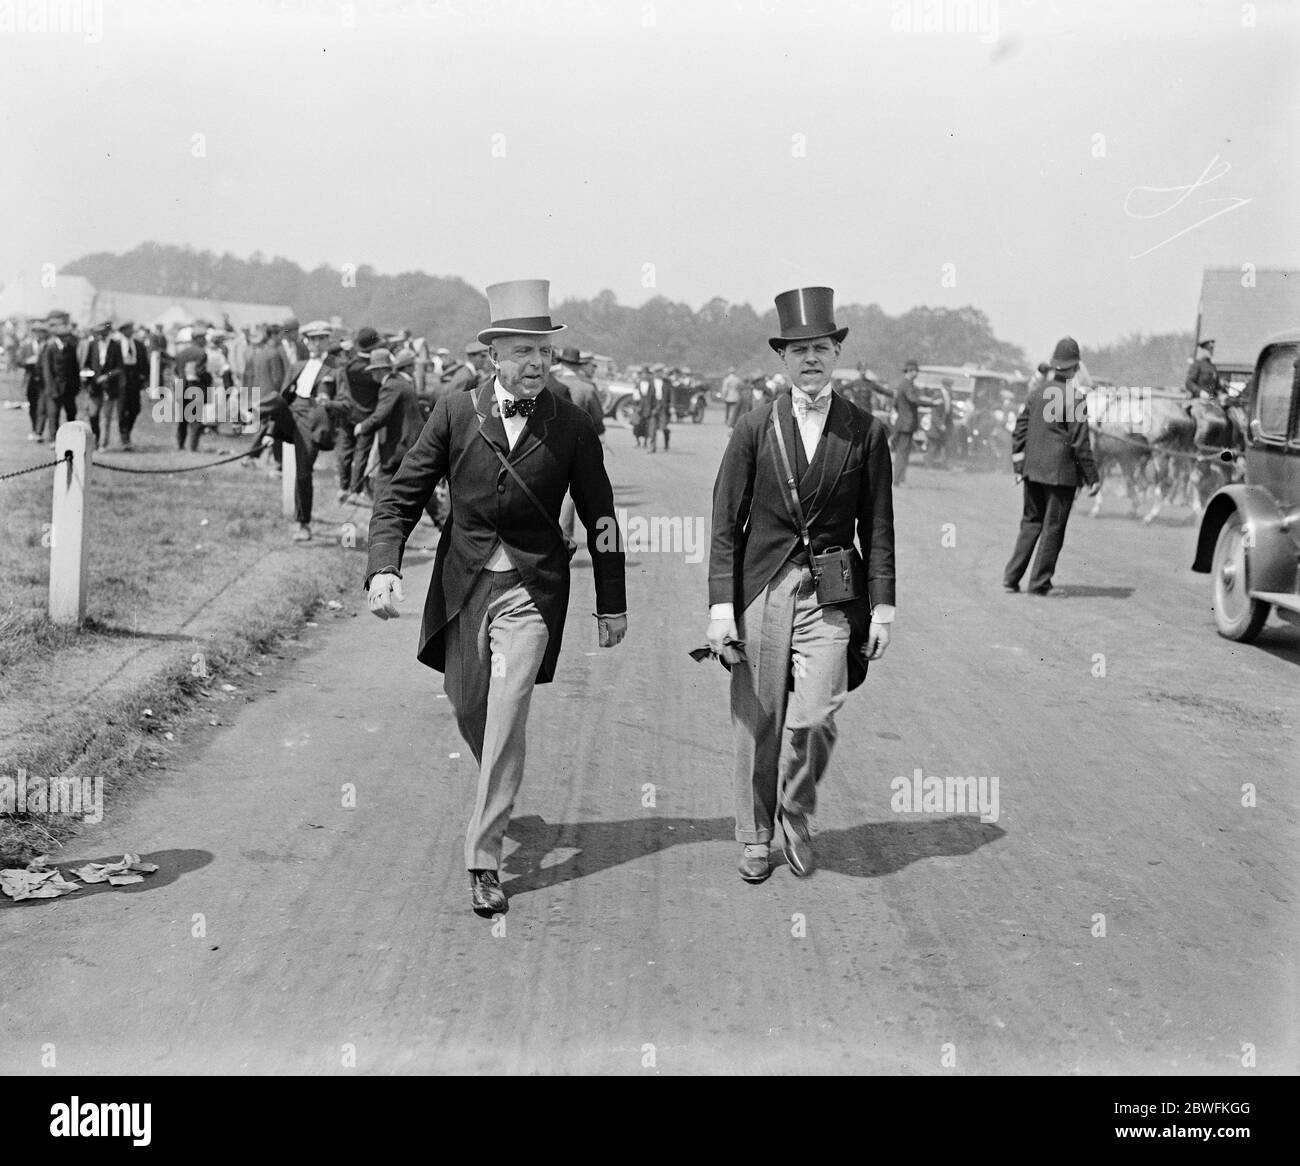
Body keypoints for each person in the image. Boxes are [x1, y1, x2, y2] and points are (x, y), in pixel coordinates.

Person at [365, 279, 627, 918]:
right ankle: (499, 783)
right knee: (468, 704)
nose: (536, 363)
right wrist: (383, 568)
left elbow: (601, 514)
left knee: (509, 708)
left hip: (531, 592)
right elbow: (400, 494)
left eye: (544, 351)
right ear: (493, 358)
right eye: (522, 351)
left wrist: (611, 601)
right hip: (462, 588)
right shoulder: (455, 411)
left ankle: (482, 859)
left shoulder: (570, 422)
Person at [707, 286, 895, 884]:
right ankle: (756, 835)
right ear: (782, 359)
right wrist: (720, 609)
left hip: (833, 596)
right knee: (757, 716)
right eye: (798, 349)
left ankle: (796, 808)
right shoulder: (754, 426)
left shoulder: (866, 432)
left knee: (815, 716)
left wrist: (884, 607)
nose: (810, 358)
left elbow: (880, 526)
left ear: (836, 353)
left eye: (821, 346)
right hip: (763, 586)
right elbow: (724, 523)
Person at [1002, 336, 1100, 596]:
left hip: (1032, 471)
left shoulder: (1037, 393)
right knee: (1053, 528)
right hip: (1060, 476)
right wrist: (1093, 477)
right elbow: (1080, 443)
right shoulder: (1075, 398)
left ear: (1055, 365)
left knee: (1030, 523)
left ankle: (1011, 578)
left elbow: (1019, 430)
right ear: (1076, 367)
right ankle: (1039, 583)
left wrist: (1018, 464)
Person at [277, 320, 347, 541]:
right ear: (306, 342)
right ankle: (301, 520)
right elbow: (283, 397)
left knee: (303, 470)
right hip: (293, 417)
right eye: (312, 339)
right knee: (299, 470)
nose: (316, 343)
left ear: (328, 341)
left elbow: (345, 403)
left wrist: (329, 403)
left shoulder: (336, 368)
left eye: (321, 338)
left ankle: (302, 522)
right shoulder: (297, 366)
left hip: (315, 422)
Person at [334, 325, 383, 505]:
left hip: (349, 412)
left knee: (346, 451)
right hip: (367, 415)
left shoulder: (351, 365)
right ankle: (355, 491)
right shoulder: (373, 368)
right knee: (362, 453)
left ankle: (343, 487)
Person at [40, 312, 81, 443]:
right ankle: (54, 439)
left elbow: (75, 369)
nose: (66, 338)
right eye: (64, 337)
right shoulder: (50, 349)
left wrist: (76, 386)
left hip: (69, 388)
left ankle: (71, 439)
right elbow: (47, 371)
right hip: (55, 388)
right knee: (54, 414)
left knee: (71, 413)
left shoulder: (71, 349)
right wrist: (51, 389)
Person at [172, 326, 210, 452]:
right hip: (195, 387)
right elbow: (200, 372)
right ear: (197, 339)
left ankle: (180, 444)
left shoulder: (182, 353)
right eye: (203, 338)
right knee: (195, 418)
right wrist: (209, 378)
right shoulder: (201, 353)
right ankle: (193, 446)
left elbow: (176, 371)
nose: (205, 340)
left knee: (182, 418)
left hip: (181, 387)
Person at [890, 359, 926, 485]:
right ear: (910, 371)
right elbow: (914, 400)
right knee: (903, 452)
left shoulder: (901, 384)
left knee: (902, 451)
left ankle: (899, 478)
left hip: (902, 422)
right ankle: (898, 479)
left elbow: (895, 404)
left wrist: (902, 413)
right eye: (915, 371)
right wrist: (932, 403)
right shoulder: (908, 385)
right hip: (907, 424)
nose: (916, 374)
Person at [117, 322, 147, 449]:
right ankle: (124, 437)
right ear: (122, 331)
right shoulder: (117, 345)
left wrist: (144, 377)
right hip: (122, 380)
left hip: (135, 379)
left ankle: (127, 430)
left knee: (135, 409)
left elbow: (144, 363)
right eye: (128, 329)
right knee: (123, 409)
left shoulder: (139, 345)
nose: (130, 331)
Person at [20, 320, 48, 441]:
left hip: (44, 381)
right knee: (33, 406)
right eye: (35, 331)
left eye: (40, 332)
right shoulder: (27, 346)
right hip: (30, 380)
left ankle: (39, 431)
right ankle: (34, 428)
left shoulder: (47, 346)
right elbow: (20, 361)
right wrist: (28, 361)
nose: (38, 334)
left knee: (42, 406)